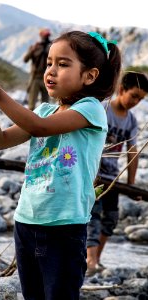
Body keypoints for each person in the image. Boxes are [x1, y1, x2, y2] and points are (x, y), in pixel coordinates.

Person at [0, 30, 121, 300]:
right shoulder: (44, 110)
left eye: (63, 64)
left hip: (64, 227)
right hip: (26, 221)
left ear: (89, 76)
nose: (51, 70)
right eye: (49, 63)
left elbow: (40, 128)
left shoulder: (91, 109)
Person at [86, 71, 148, 276]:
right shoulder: (102, 108)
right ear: (121, 90)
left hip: (111, 178)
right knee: (93, 216)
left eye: (141, 99)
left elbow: (132, 152)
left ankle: (97, 258)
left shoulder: (130, 121)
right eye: (134, 96)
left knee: (111, 218)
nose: (136, 102)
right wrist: (90, 171)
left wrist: (130, 184)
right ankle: (90, 260)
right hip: (92, 174)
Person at [23, 28, 52, 110]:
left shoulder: (51, 47)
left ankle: (44, 121)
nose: (46, 38)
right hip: (35, 78)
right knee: (31, 104)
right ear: (41, 36)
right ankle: (29, 121)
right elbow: (25, 59)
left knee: (45, 105)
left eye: (47, 36)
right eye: (45, 36)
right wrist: (32, 50)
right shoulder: (35, 47)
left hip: (46, 78)